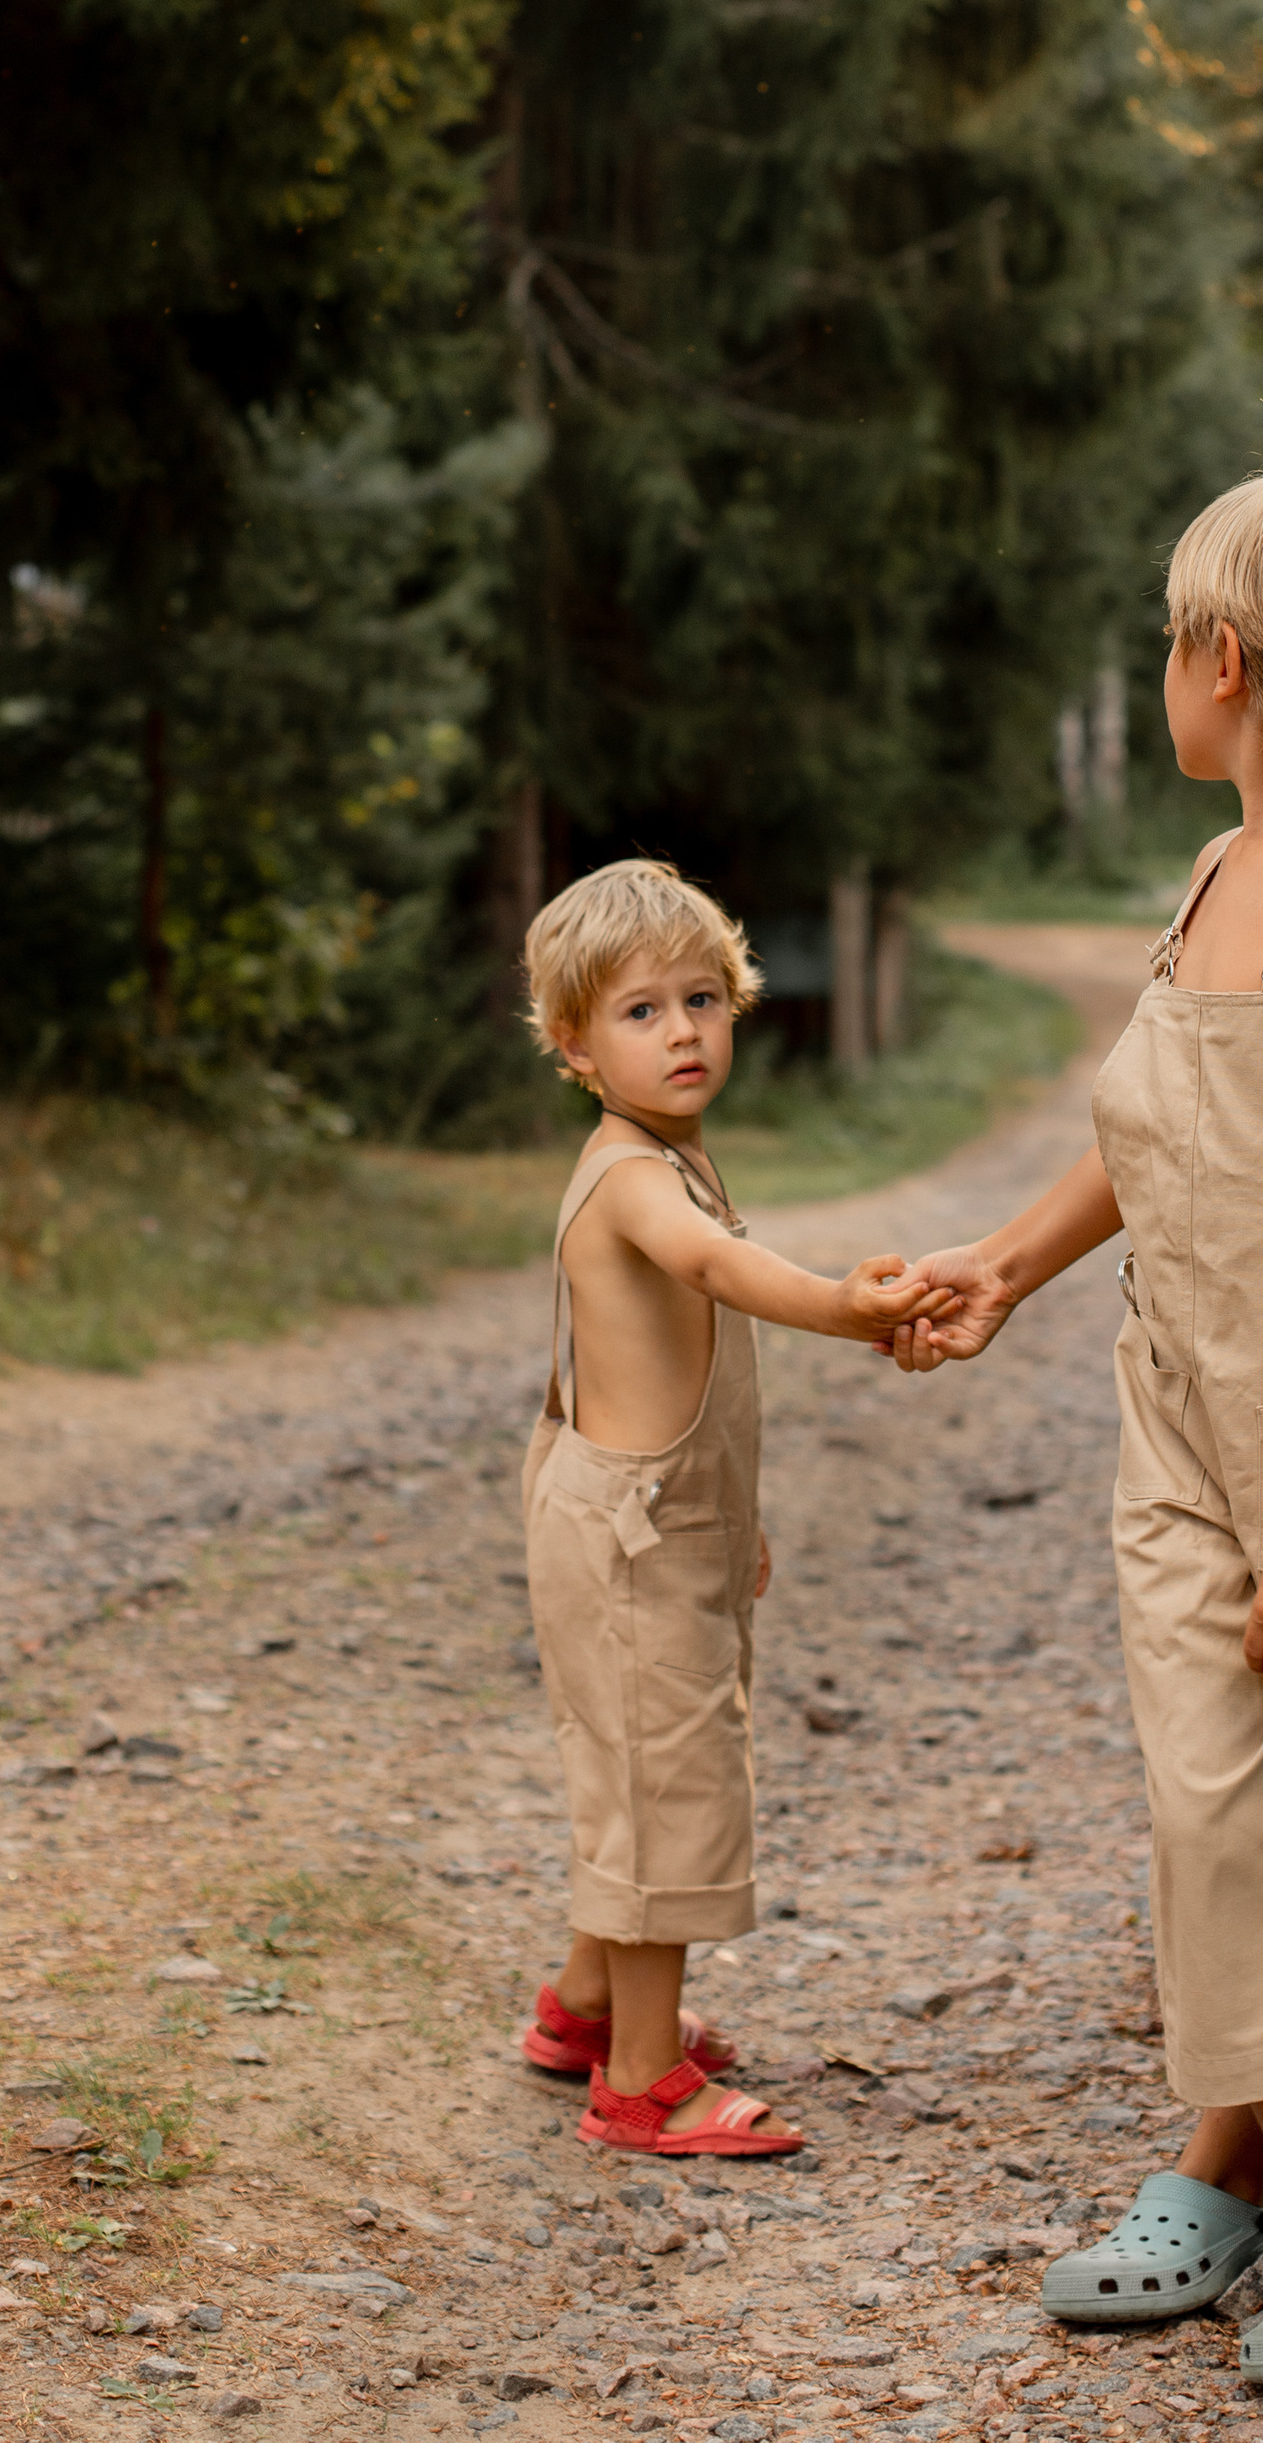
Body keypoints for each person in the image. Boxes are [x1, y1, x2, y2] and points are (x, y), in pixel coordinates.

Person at [893, 462, 1263, 2393]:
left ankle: (1222, 2170)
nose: (1165, 672)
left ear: (1224, 662)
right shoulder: (1218, 873)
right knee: (1210, 1800)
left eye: (1169, 641)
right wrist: (1008, 1260)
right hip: (1179, 1411)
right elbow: (1155, 1138)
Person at [513, 856, 929, 2159]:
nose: (683, 1030)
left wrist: (725, 1520)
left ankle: (584, 2007)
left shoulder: (669, 1150)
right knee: (666, 1788)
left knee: (644, 1765)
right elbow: (717, 1270)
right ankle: (641, 2083)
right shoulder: (635, 1178)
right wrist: (849, 1309)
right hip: (631, 1534)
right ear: (575, 1043)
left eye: (703, 998)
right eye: (641, 1012)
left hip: (662, 1520)